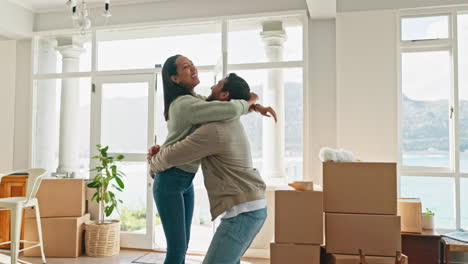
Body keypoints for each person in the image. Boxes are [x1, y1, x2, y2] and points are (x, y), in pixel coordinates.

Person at [154, 55, 274, 264]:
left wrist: (253, 105)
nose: (193, 68)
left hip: (186, 179)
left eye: (192, 63)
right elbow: (227, 108)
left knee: (183, 247)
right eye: (185, 66)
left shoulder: (198, 103)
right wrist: (154, 162)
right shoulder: (185, 104)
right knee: (177, 249)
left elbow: (222, 108)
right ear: (174, 78)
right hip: (170, 175)